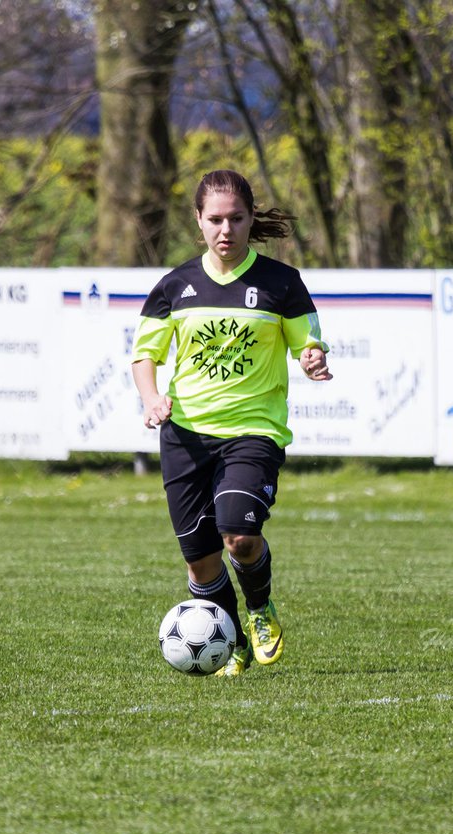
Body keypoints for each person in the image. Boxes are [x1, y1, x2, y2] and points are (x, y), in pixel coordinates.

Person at [131, 169, 333, 678]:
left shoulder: (280, 283)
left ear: (250, 220)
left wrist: (311, 358)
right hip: (186, 436)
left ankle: (260, 609)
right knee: (200, 562)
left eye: (236, 219)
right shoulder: (174, 286)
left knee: (238, 536)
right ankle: (234, 641)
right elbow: (144, 355)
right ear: (198, 221)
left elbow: (307, 340)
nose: (226, 230)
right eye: (215, 219)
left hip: (253, 431)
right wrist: (153, 398)